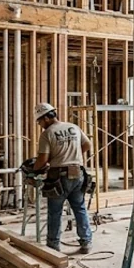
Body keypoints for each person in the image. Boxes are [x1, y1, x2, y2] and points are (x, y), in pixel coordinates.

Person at [30, 103, 93, 253]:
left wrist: (35, 169)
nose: (40, 125)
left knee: (55, 211)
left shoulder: (48, 134)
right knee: (79, 208)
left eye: (40, 121)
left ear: (46, 117)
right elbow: (87, 144)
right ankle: (86, 242)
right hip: (78, 173)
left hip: (59, 177)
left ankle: (53, 245)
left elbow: (42, 159)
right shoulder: (73, 127)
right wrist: (72, 156)